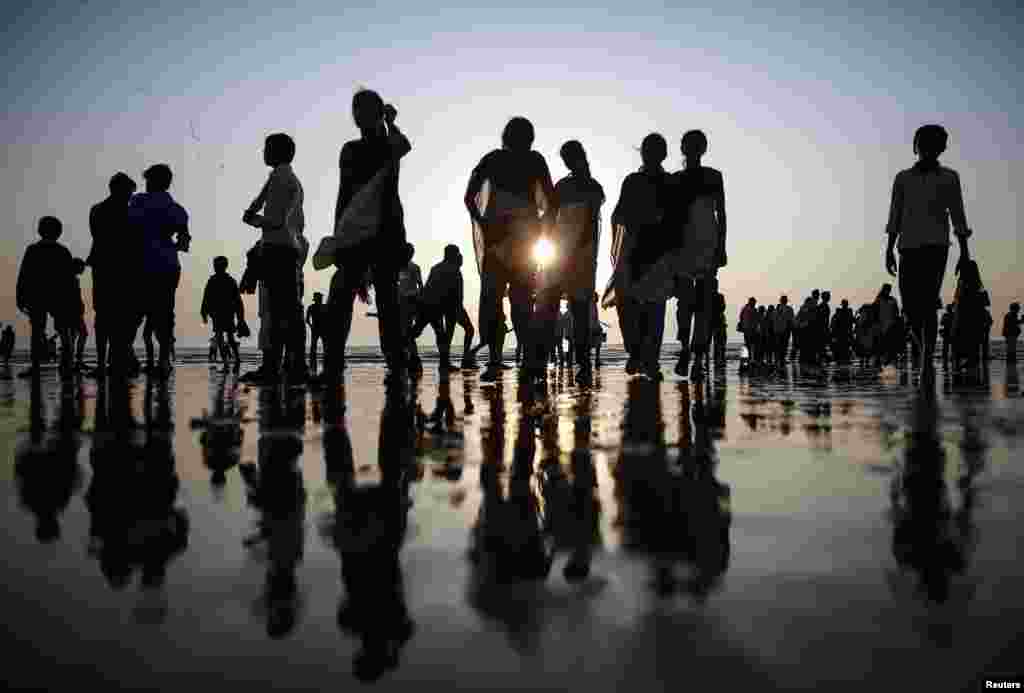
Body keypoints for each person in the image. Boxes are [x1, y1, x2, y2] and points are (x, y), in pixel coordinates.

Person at [327, 91, 411, 383]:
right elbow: (343, 193)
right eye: (355, 109)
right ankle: (333, 361)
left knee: (387, 297)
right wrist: (338, 235)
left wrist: (391, 122)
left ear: (377, 112)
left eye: (364, 108)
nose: (358, 114)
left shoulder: (391, 143)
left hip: (387, 230)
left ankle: (396, 362)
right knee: (341, 293)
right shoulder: (349, 150)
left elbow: (404, 145)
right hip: (356, 232)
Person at [465, 116, 557, 382]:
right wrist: (541, 227)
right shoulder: (532, 160)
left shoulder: (494, 159)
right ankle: (523, 359)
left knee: (497, 300)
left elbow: (469, 197)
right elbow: (551, 202)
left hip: (502, 240)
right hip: (519, 241)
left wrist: (484, 223)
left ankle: (498, 360)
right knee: (520, 302)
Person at [885, 124, 972, 375]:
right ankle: (923, 349)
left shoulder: (949, 177)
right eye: (924, 143)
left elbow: (958, 215)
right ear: (916, 146)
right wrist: (889, 248)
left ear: (942, 148)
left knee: (928, 303)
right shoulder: (903, 178)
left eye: (935, 144)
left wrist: (965, 253)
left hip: (936, 246)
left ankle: (924, 362)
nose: (929, 149)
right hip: (908, 247)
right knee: (910, 308)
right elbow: (895, 214)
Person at [532, 139, 605, 384]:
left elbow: (590, 226)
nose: (567, 163)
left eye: (569, 158)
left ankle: (581, 364)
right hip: (564, 253)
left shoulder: (591, 187)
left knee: (575, 309)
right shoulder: (567, 186)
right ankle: (546, 362)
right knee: (556, 308)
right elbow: (550, 220)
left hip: (579, 254)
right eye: (565, 159)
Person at [605, 133, 676, 380]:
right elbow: (618, 215)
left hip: (658, 251)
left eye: (655, 151)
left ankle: (649, 360)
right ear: (643, 153)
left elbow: (676, 221)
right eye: (648, 151)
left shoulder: (669, 182)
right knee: (630, 305)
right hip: (635, 249)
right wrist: (616, 249)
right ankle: (637, 354)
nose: (651, 155)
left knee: (652, 307)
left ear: (663, 155)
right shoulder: (632, 181)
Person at [243, 133, 305, 383]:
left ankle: (276, 366)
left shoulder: (281, 178)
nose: (263, 152)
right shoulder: (282, 177)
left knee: (280, 310)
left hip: (278, 249)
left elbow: (276, 221)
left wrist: (254, 219)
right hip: (283, 249)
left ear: (277, 152)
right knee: (284, 309)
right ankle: (288, 364)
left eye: (267, 148)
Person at [671, 130, 727, 381]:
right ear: (684, 148)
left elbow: (722, 214)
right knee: (690, 303)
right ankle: (688, 351)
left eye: (696, 146)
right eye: (690, 145)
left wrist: (722, 246)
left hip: (705, 243)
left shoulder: (714, 176)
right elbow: (669, 219)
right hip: (686, 244)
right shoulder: (677, 179)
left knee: (700, 303)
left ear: (702, 149)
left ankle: (696, 356)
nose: (693, 149)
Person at [129, 164, 190, 377]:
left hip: (141, 263)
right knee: (165, 313)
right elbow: (184, 242)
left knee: (134, 312)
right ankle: (164, 360)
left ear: (150, 181)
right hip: (168, 264)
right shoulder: (177, 210)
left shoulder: (137, 201)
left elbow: (129, 229)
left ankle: (129, 357)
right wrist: (168, 244)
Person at [88, 171, 137, 376]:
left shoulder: (96, 210)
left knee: (103, 315)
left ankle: (102, 363)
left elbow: (97, 236)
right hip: (123, 267)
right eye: (129, 193)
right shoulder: (129, 212)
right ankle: (118, 359)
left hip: (101, 265)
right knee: (123, 316)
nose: (130, 197)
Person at [15, 216, 76, 377]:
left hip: (37, 296)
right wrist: (72, 301)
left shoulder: (32, 250)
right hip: (59, 297)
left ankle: (35, 366)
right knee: (64, 331)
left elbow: (24, 276)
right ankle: (66, 365)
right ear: (59, 232)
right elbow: (70, 280)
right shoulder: (63, 251)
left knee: (37, 332)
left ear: (40, 230)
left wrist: (20, 297)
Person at [409, 244, 466, 376]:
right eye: (457, 253)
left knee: (418, 332)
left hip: (427, 305)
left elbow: (428, 287)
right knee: (440, 335)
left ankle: (407, 355)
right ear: (453, 255)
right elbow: (457, 293)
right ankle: (442, 363)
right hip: (437, 307)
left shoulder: (436, 268)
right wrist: (457, 308)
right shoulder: (454, 269)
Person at [201, 256, 246, 369]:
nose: (215, 267)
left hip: (222, 314)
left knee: (224, 337)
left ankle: (230, 360)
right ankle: (232, 360)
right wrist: (204, 312)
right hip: (222, 314)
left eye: (216, 265)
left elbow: (206, 298)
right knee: (226, 337)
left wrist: (204, 312)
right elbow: (206, 298)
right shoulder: (227, 281)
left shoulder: (218, 281)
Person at [398, 243, 424, 373]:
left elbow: (420, 286)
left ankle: (413, 359)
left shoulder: (414, 267)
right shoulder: (397, 267)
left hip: (410, 301)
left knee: (406, 331)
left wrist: (419, 302)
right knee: (404, 332)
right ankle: (410, 358)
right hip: (401, 302)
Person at [875, 284, 901, 365]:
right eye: (887, 289)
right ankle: (880, 360)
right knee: (881, 344)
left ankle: (890, 359)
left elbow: (896, 312)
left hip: (891, 324)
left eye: (889, 290)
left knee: (890, 343)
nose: (888, 291)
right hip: (881, 324)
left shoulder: (893, 299)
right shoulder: (878, 299)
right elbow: (875, 312)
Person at [70, 258, 89, 370]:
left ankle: (73, 361)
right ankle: (78, 361)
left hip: (75, 312)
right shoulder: (72, 280)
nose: (83, 269)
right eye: (82, 267)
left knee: (73, 336)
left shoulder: (73, 279)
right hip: (74, 313)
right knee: (81, 334)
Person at [306, 292, 327, 374]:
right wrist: (311, 326)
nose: (321, 299)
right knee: (321, 346)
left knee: (315, 346)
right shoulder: (323, 307)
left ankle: (313, 362)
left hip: (317, 328)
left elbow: (307, 320)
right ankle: (315, 362)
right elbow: (307, 319)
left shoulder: (312, 307)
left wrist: (311, 326)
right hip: (319, 328)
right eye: (320, 298)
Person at [831, 299, 855, 363]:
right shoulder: (849, 312)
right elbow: (853, 320)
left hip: (841, 334)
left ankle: (841, 359)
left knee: (842, 348)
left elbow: (833, 322)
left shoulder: (838, 312)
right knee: (845, 348)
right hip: (845, 333)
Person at [772, 295, 795, 365]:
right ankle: (781, 359)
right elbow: (791, 320)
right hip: (784, 330)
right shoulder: (789, 309)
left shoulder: (776, 310)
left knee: (779, 346)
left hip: (778, 330)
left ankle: (778, 360)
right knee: (783, 345)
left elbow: (773, 320)